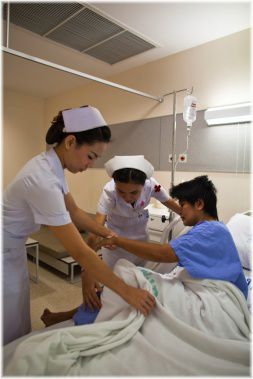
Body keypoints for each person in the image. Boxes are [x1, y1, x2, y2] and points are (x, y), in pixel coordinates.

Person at [3, 106, 155, 345]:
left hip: (12, 248)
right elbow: (80, 252)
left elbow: (74, 212)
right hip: (5, 248)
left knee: (16, 310)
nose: (90, 165)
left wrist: (108, 233)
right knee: (7, 321)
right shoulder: (42, 179)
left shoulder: (52, 168)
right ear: (71, 142)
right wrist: (129, 293)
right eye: (91, 156)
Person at [41, 155, 181, 327]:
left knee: (135, 285)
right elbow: (94, 232)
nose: (127, 197)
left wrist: (199, 219)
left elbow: (172, 205)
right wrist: (87, 270)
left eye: (133, 193)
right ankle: (68, 316)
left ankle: (65, 316)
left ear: (143, 185)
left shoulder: (152, 185)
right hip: (114, 245)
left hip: (140, 244)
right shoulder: (109, 191)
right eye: (121, 191)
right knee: (110, 290)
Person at [98, 175, 248, 299]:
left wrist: (117, 240)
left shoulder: (208, 231)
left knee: (126, 274)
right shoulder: (215, 228)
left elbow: (160, 253)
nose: (180, 211)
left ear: (199, 204)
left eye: (182, 205)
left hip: (222, 295)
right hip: (225, 290)